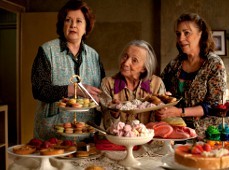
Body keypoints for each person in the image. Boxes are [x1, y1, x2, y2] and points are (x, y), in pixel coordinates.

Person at [31, 0, 105, 140]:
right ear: (62, 24)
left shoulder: (94, 56)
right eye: (68, 20)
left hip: (86, 132)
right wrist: (75, 89)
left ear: (86, 27)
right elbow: (39, 89)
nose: (73, 25)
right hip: (53, 134)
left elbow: (101, 91)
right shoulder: (47, 51)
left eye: (79, 21)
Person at [155, 13, 228, 137]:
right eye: (178, 34)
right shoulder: (174, 64)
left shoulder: (214, 64)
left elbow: (215, 105)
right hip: (177, 133)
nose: (181, 38)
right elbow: (160, 89)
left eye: (186, 33)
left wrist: (179, 112)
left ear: (200, 34)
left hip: (207, 135)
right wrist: (163, 101)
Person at [100, 40, 166, 130]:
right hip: (119, 141)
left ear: (143, 68)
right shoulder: (107, 84)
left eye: (134, 60)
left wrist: (162, 112)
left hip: (148, 141)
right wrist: (114, 114)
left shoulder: (156, 84)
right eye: (125, 56)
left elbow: (160, 124)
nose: (126, 63)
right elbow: (107, 126)